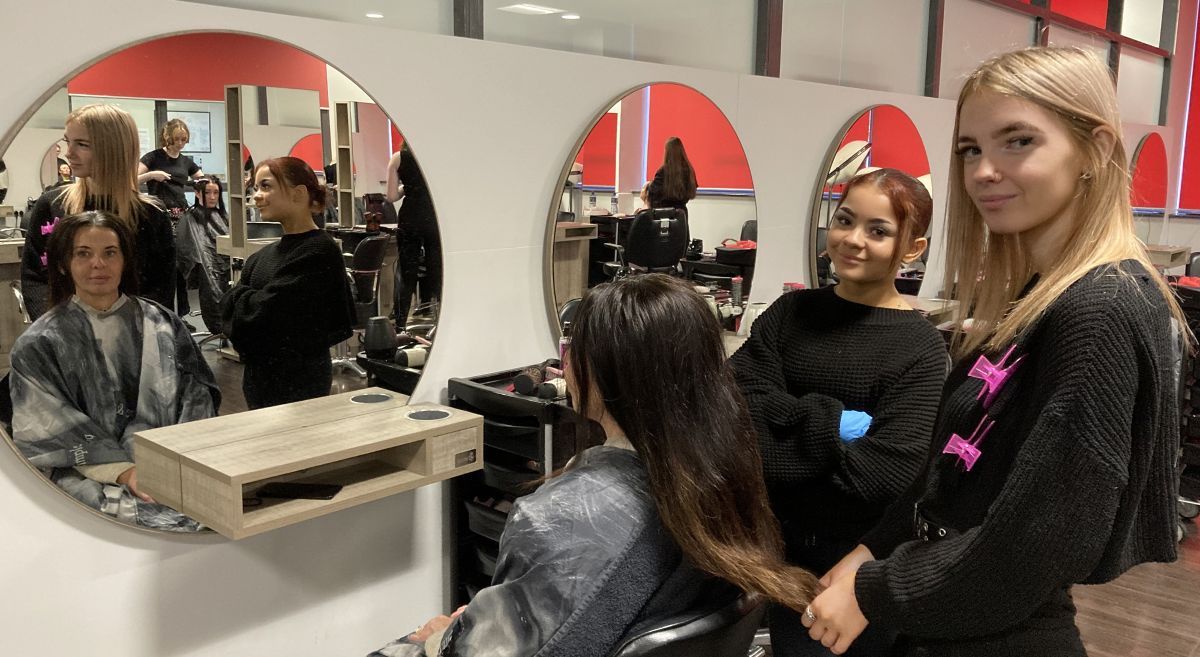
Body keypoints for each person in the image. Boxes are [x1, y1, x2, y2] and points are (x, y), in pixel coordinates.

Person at [801, 46, 1186, 657]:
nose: (982, 171)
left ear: (1098, 149)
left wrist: (874, 590)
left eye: (1018, 142)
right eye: (971, 149)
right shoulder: (1045, 295)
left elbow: (1037, 544)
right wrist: (873, 548)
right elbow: (959, 469)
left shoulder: (1099, 311)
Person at [368, 274, 821, 657]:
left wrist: (441, 639)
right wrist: (496, 613)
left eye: (573, 350)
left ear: (599, 374)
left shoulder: (559, 521)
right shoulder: (726, 473)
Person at [730, 167, 948, 657]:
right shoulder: (790, 314)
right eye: (845, 221)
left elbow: (883, 475)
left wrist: (777, 427)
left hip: (848, 567)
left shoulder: (920, 349)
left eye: (878, 231)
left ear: (912, 249)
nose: (853, 240)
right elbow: (734, 412)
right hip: (758, 547)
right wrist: (837, 425)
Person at [8, 211, 219, 531]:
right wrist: (124, 472)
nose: (98, 264)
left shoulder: (162, 324)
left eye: (110, 253)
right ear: (64, 263)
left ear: (125, 260)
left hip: (174, 467)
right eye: (83, 254)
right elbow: (46, 427)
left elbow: (196, 398)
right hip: (87, 477)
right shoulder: (39, 344)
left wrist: (179, 465)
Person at [220, 156, 355, 410]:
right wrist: (247, 304)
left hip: (299, 383)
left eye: (266, 186)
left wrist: (242, 300)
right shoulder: (262, 256)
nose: (257, 196)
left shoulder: (319, 251)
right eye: (256, 188)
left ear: (299, 193)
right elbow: (232, 312)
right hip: (259, 380)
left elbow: (267, 315)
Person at [21, 104, 176, 320]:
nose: (69, 153)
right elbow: (35, 278)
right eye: (68, 142)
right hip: (63, 337)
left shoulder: (150, 214)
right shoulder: (52, 205)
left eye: (82, 144)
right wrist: (57, 330)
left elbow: (160, 290)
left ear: (112, 148)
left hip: (131, 337)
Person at [139, 118, 206, 318]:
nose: (180, 144)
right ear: (167, 137)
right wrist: (152, 175)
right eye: (177, 139)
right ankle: (161, 312)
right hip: (158, 214)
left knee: (180, 266)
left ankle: (181, 314)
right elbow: (132, 178)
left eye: (184, 140)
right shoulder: (153, 158)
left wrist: (202, 184)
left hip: (181, 214)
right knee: (163, 265)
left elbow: (202, 179)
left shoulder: (186, 162)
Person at [386, 142, 442, 326]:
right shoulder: (436, 155)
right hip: (434, 217)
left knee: (406, 272)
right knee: (437, 269)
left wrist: (406, 188)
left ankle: (400, 323)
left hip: (410, 217)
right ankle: (441, 318)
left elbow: (392, 196)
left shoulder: (398, 158)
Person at [178, 177, 230, 335]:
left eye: (216, 192)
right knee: (212, 283)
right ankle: (220, 327)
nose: (213, 197)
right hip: (207, 268)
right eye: (208, 192)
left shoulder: (223, 216)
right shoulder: (190, 218)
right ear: (197, 193)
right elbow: (193, 252)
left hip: (226, 266)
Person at [640, 136, 697, 213]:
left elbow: (653, 193)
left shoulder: (663, 171)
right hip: (681, 216)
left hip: (664, 215)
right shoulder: (689, 170)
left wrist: (648, 186)